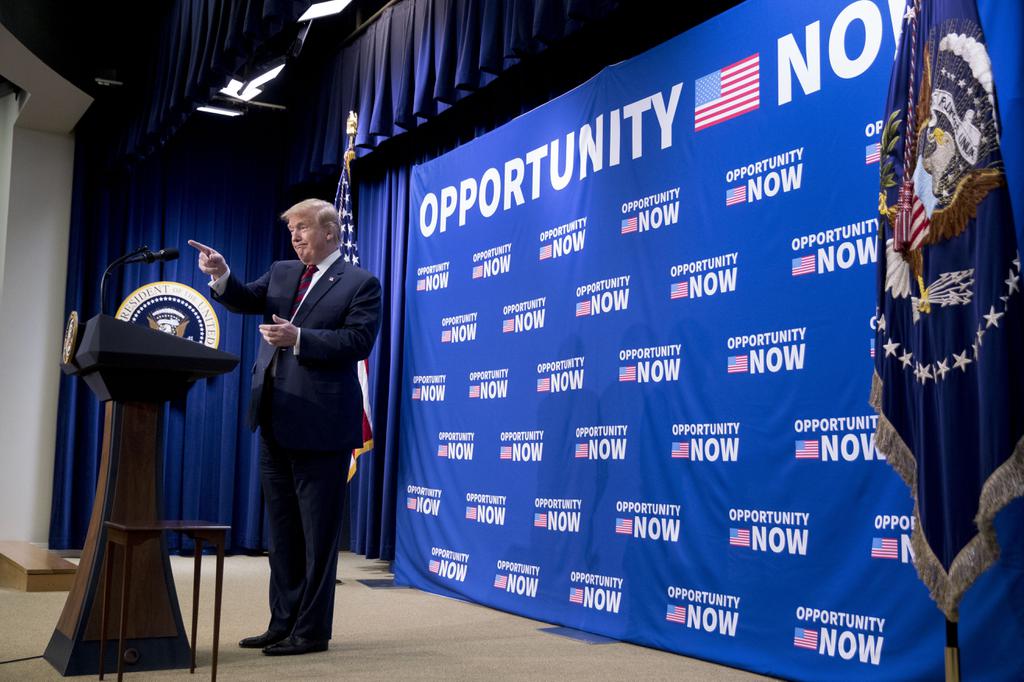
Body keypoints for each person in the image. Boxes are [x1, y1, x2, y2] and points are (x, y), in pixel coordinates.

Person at [188, 198, 381, 656]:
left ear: (330, 231)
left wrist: (300, 338)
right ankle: (282, 623)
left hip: (322, 425)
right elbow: (243, 298)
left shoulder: (360, 283)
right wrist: (220, 274)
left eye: (302, 229)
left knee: (317, 537)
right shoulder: (281, 272)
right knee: (284, 534)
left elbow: (358, 341)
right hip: (273, 419)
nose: (294, 238)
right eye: (291, 231)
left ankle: (312, 632)